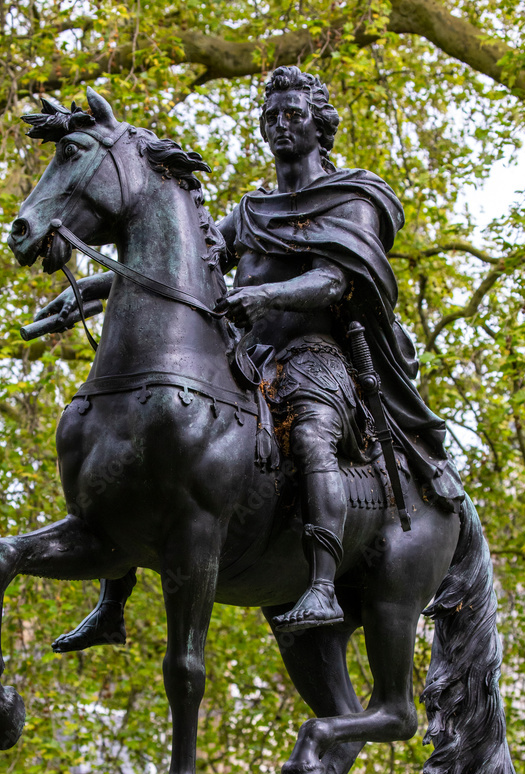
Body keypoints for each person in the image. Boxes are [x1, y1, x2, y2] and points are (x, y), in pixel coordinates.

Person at [41, 66, 462, 647]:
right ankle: (112, 598)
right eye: (271, 116)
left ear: (320, 123)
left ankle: (319, 580)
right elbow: (188, 268)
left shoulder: (356, 197)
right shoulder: (254, 208)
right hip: (251, 353)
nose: (280, 125)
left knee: (312, 431)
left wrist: (262, 295)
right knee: (159, 434)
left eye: (293, 114)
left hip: (318, 355)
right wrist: (84, 294)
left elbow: (335, 282)